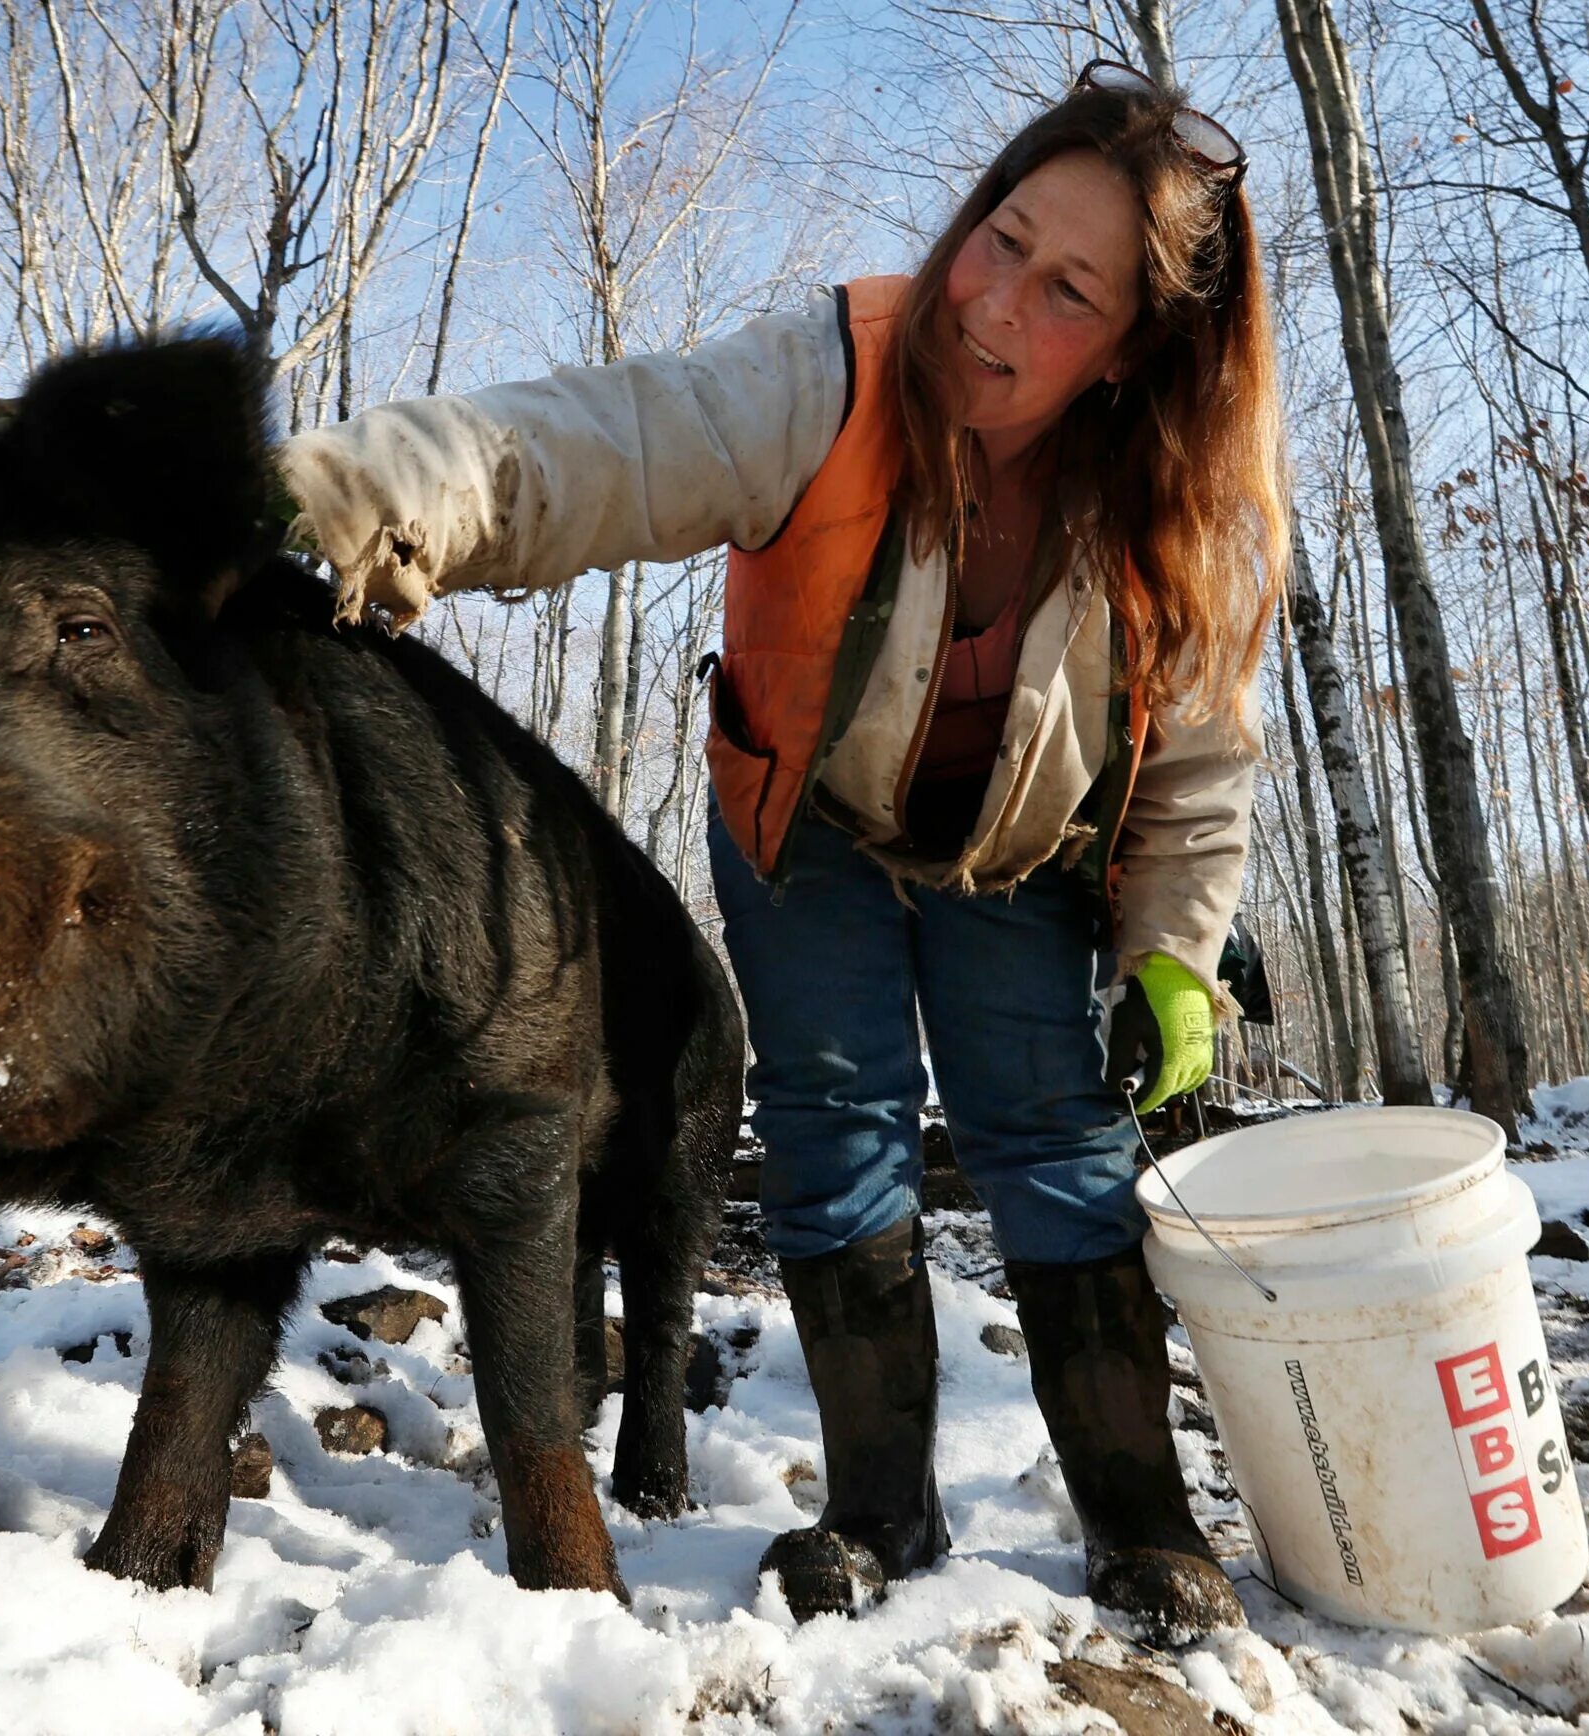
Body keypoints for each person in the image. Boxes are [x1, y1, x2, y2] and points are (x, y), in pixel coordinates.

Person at [275, 62, 1285, 1646]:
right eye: (1001, 237)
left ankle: (1143, 1524)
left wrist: (1171, 951)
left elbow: (1201, 768)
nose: (993, 302)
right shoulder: (834, 368)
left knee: (1054, 1143)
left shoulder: (1184, 514)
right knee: (835, 1129)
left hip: (1016, 861)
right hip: (805, 822)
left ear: (1141, 354)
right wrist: (356, 501)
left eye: (1069, 287)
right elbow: (594, 442)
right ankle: (879, 1511)